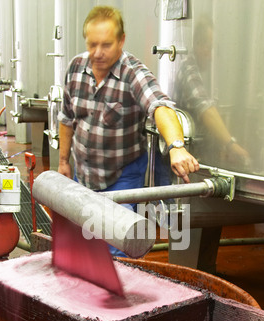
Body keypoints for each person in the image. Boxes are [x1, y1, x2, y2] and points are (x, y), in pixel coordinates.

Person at [58, 6, 199, 191]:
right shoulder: (76, 67)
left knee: (114, 220)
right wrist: (63, 161)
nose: (98, 53)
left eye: (106, 45)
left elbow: (160, 106)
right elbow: (66, 118)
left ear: (121, 40)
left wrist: (177, 147)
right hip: (83, 174)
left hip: (122, 177)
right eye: (92, 44)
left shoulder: (133, 74)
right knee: (82, 219)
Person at [174, 15, 249, 164]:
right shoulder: (189, 68)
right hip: (187, 155)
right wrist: (231, 144)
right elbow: (206, 109)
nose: (210, 54)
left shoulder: (205, 72)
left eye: (212, 47)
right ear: (197, 44)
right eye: (208, 47)